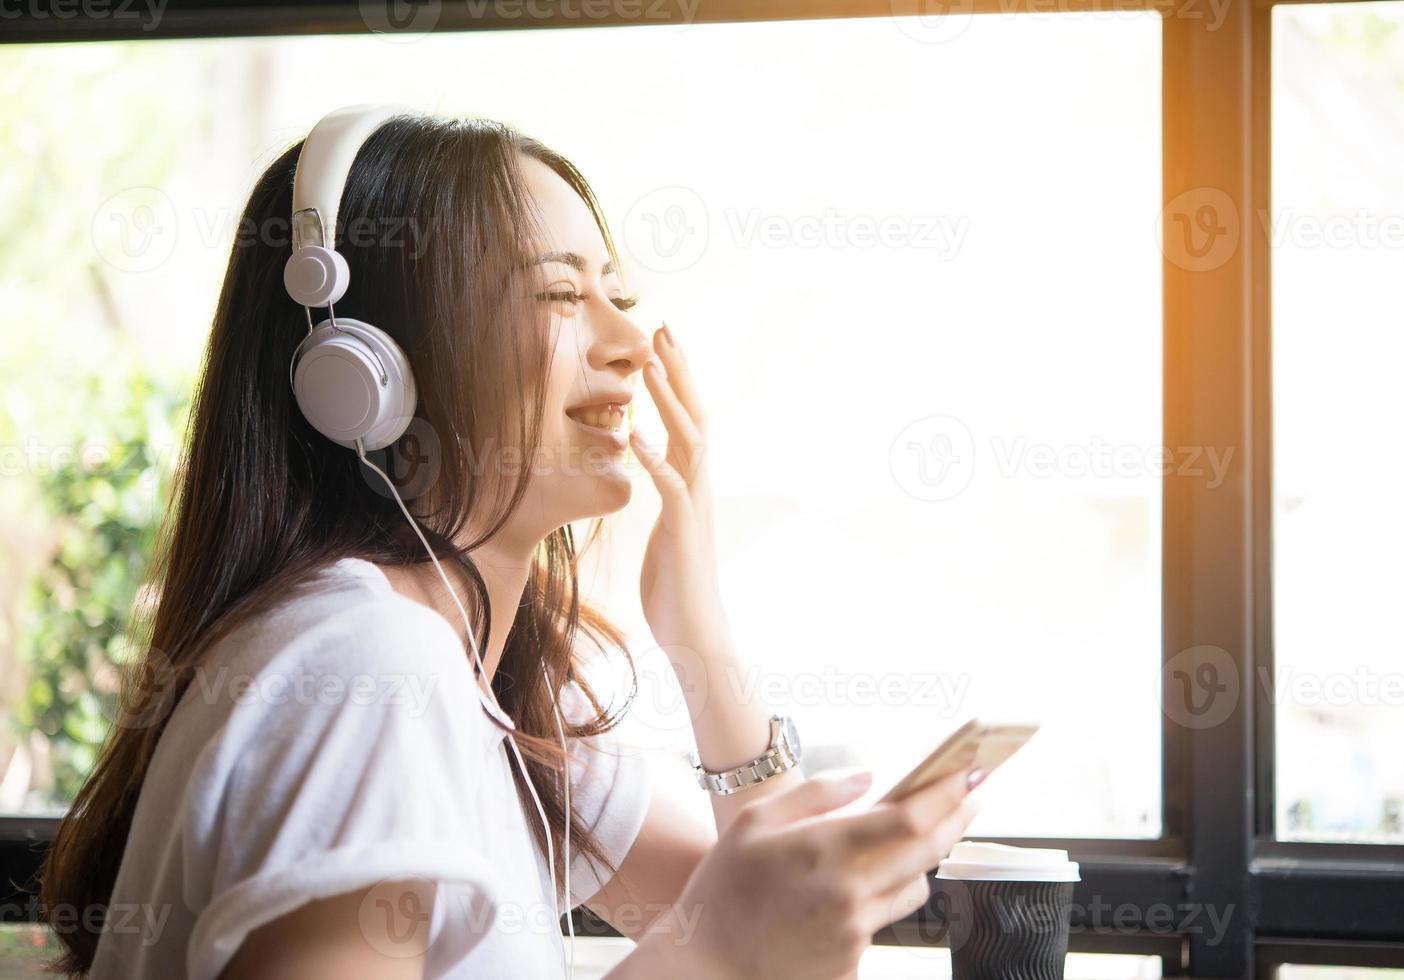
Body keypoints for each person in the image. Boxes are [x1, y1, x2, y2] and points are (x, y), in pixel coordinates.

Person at [40, 107, 987, 980]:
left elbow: (794, 936)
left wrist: (695, 619)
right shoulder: (369, 669)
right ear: (368, 371)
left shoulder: (492, 688)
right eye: (561, 294)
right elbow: (742, 944)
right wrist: (726, 951)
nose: (631, 340)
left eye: (617, 292)